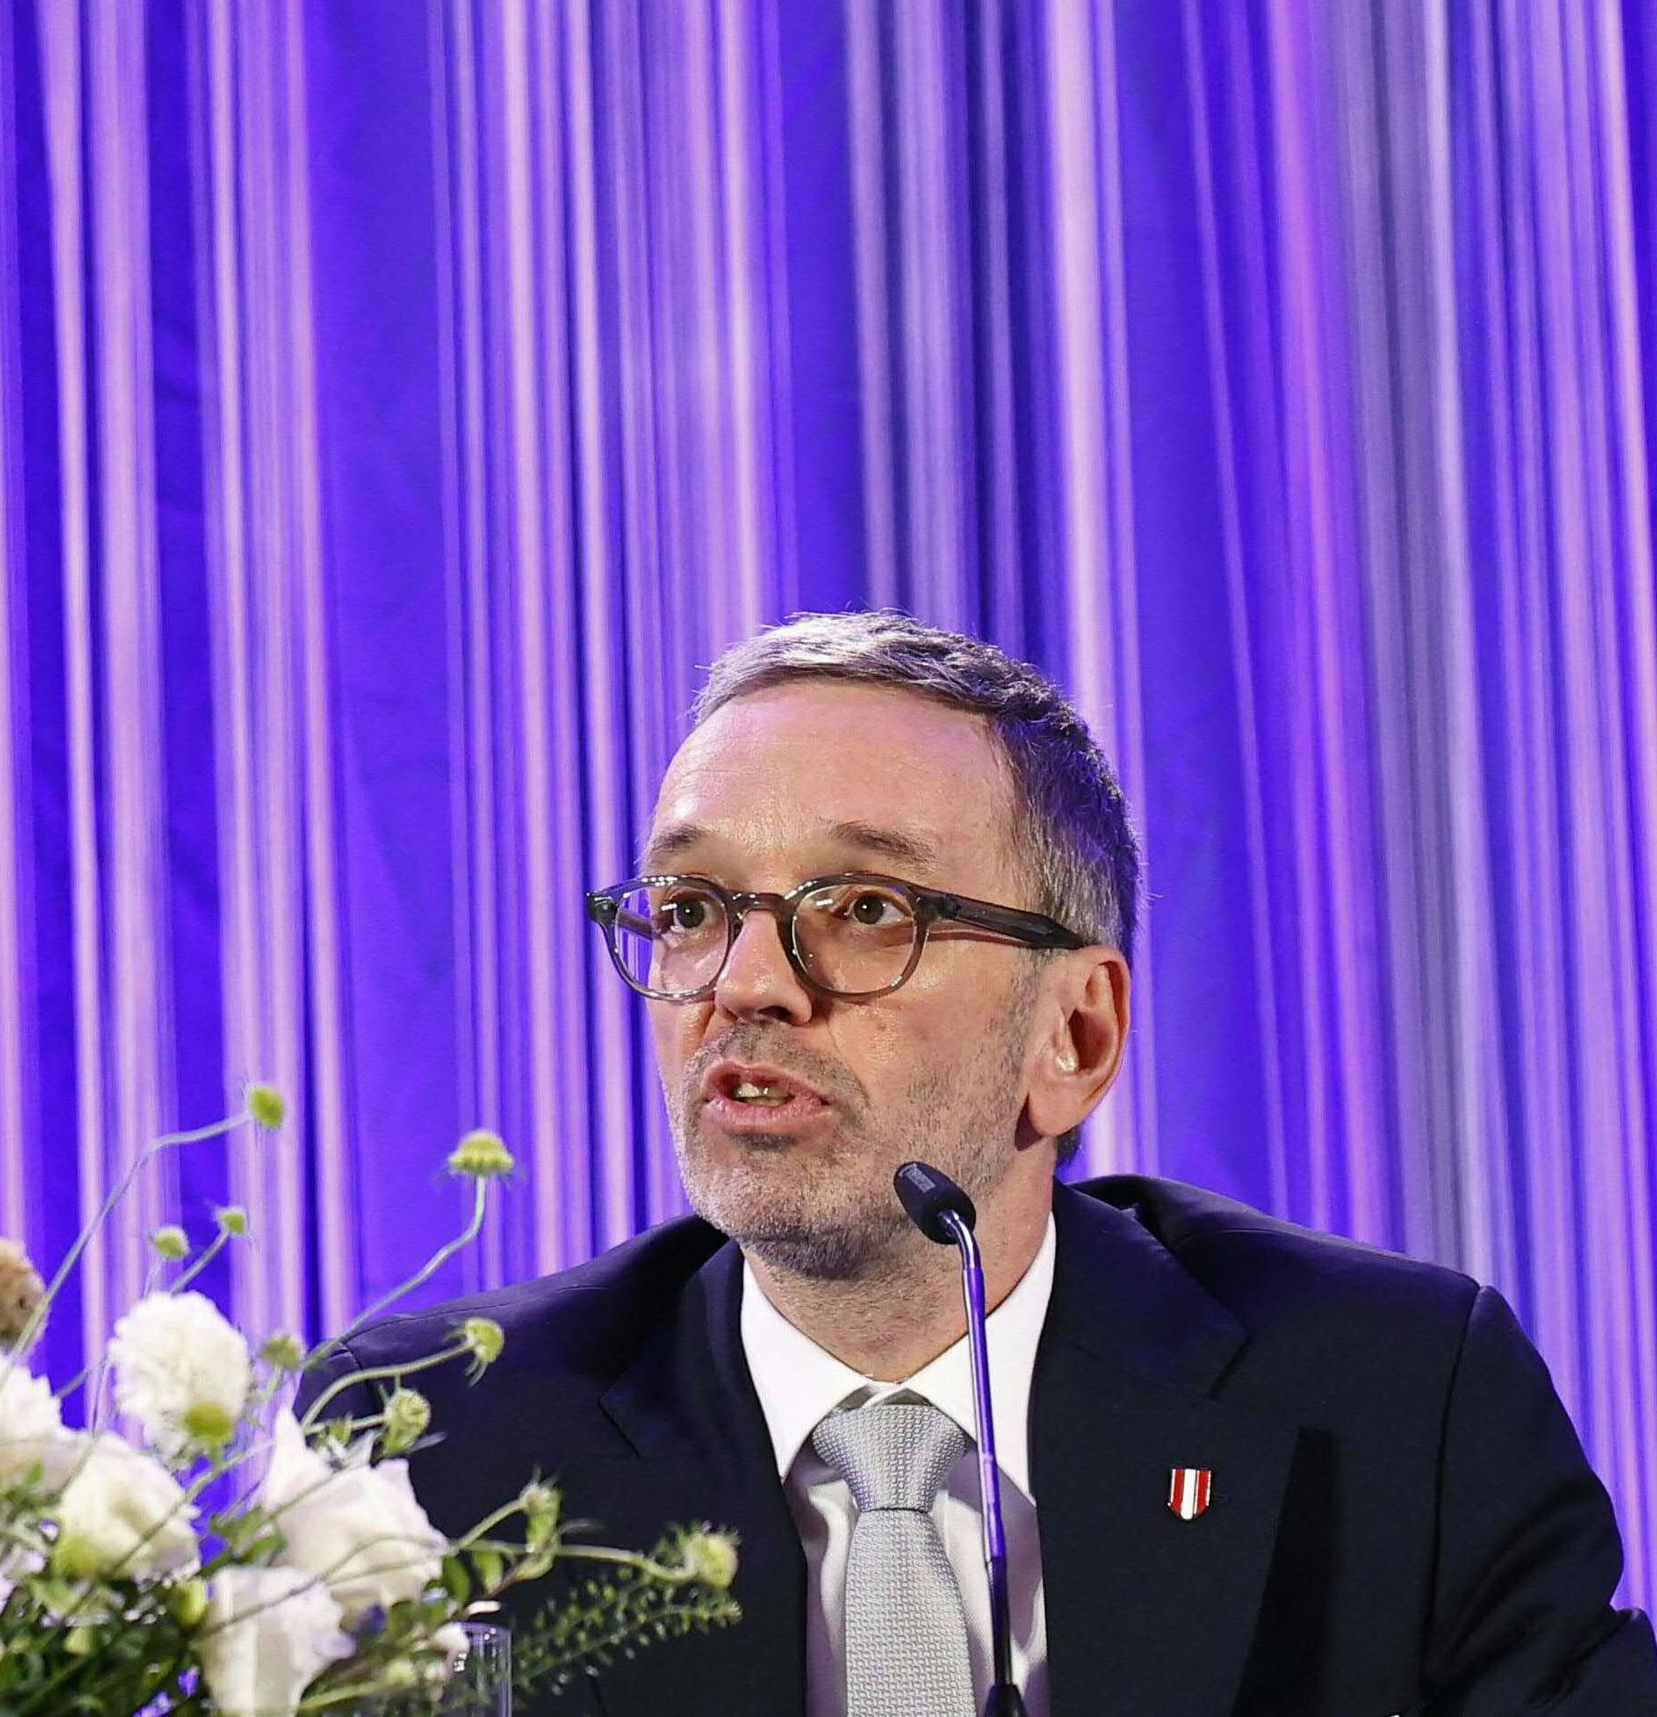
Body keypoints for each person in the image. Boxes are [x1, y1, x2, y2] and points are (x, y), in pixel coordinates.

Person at [306, 612, 1656, 1716]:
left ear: (1075, 1034)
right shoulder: (436, 1435)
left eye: (866, 909)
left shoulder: (1398, 1399)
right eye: (695, 909)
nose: (746, 984)